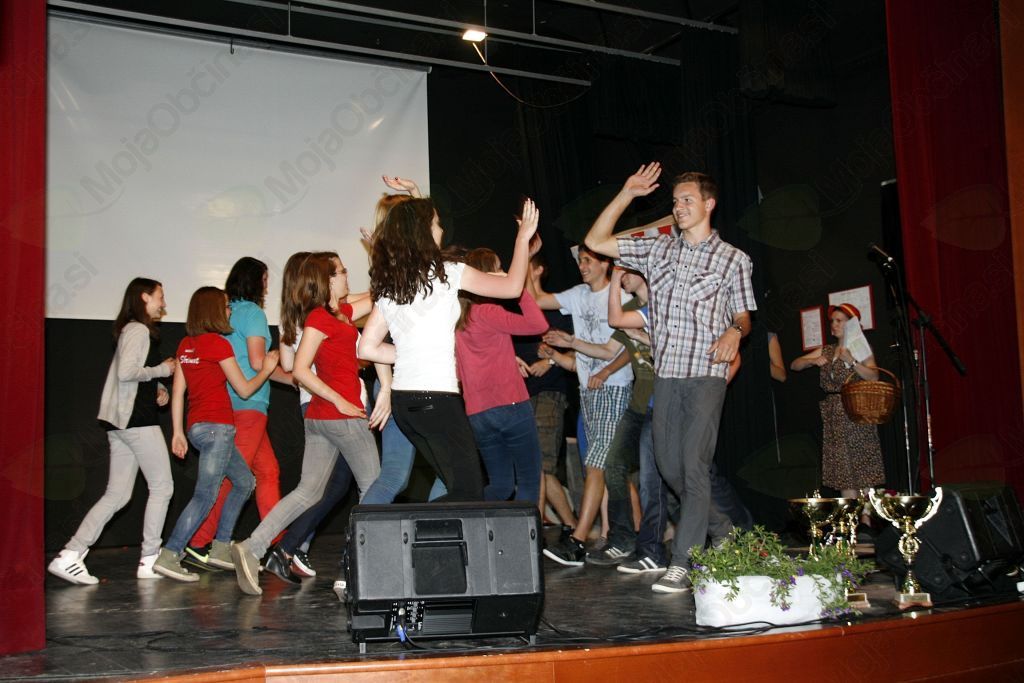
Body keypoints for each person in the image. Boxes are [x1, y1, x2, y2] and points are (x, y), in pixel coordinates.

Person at [584, 163, 757, 594]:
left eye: (687, 200)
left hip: (705, 376)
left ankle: (683, 561)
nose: (679, 207)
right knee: (669, 467)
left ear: (709, 204)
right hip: (667, 377)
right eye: (676, 201)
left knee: (694, 467)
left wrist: (734, 332)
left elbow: (743, 316)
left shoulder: (733, 259)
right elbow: (596, 241)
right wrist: (627, 192)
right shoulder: (658, 250)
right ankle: (727, 532)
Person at [358, 195, 540, 501]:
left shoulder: (392, 284)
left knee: (456, 487)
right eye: (437, 223)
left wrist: (412, 355)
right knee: (468, 491)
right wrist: (522, 239)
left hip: (405, 405)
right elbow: (511, 287)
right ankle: (412, 530)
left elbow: (367, 348)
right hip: (436, 401)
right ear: (425, 231)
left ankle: (421, 531)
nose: (441, 229)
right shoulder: (448, 272)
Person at [232, 253, 382, 594]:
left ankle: (252, 547)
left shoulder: (337, 314)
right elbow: (299, 370)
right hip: (341, 417)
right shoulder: (318, 318)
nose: (347, 276)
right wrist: (339, 399)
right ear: (327, 281)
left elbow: (375, 297)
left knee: (309, 491)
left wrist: (381, 257)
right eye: (342, 272)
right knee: (374, 490)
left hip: (319, 419)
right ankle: (359, 569)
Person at [48, 278, 177, 584]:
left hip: (122, 422)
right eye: (159, 296)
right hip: (136, 422)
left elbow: (132, 375)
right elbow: (127, 372)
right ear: (144, 297)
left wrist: (158, 386)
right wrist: (163, 370)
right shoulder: (139, 330)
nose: (163, 303)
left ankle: (70, 555)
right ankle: (150, 559)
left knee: (117, 494)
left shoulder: (133, 330)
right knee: (162, 487)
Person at [153, 287, 279, 581]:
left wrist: (178, 433)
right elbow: (244, 389)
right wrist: (267, 369)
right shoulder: (219, 345)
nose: (229, 311)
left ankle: (221, 547)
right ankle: (170, 553)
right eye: (225, 306)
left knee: (244, 482)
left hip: (198, 429)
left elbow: (178, 393)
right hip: (218, 429)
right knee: (206, 495)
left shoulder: (186, 345)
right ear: (212, 310)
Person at [532, 246, 634, 566]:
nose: (582, 266)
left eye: (589, 260)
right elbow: (537, 300)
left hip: (614, 389)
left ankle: (578, 540)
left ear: (606, 263)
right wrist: (530, 259)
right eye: (580, 261)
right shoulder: (578, 295)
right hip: (588, 392)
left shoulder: (621, 298)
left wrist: (572, 343)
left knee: (597, 466)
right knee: (610, 470)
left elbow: (620, 350)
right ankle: (630, 535)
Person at [184, 257, 287, 569]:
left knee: (267, 472)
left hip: (231, 404)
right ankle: (198, 542)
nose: (267, 286)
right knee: (231, 478)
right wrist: (296, 378)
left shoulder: (225, 312)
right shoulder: (253, 313)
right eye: (265, 279)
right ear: (255, 280)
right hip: (249, 404)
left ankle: (275, 540)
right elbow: (258, 362)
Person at [456, 247, 548, 503]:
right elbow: (539, 325)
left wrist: (506, 359)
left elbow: (460, 372)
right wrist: (516, 288)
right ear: (489, 275)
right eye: (498, 268)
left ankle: (475, 523)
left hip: (477, 413)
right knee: (529, 482)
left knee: (500, 485)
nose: (503, 272)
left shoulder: (458, 319)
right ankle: (523, 533)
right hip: (510, 404)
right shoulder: (488, 311)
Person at [790, 302, 884, 502]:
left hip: (855, 410)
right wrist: (811, 361)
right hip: (834, 414)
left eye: (839, 320)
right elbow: (794, 365)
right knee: (843, 470)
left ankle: (867, 516)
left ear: (851, 324)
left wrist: (852, 361)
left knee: (862, 464)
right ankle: (851, 516)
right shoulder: (827, 350)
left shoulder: (859, 348)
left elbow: (874, 376)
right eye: (832, 321)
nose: (834, 324)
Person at [513, 251, 577, 529]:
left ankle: (537, 531)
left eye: (525, 265)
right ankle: (574, 528)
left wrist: (550, 361)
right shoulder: (516, 310)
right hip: (522, 395)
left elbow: (576, 348)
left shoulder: (557, 308)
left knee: (540, 466)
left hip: (549, 393)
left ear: (538, 270)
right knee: (537, 468)